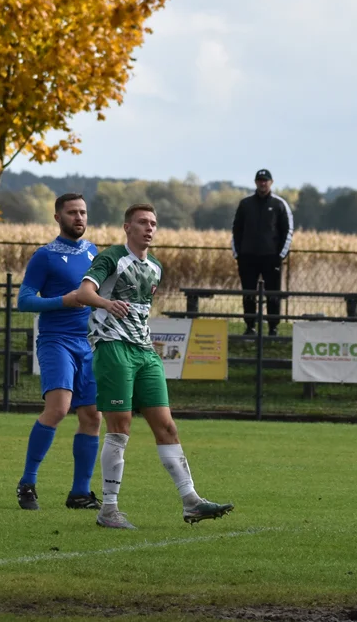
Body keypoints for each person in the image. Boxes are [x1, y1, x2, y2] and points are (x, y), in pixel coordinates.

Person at [76, 203, 234, 529]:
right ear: (127, 227)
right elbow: (84, 292)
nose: (149, 228)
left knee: (167, 427)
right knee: (120, 427)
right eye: (142, 222)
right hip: (114, 348)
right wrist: (107, 303)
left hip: (145, 353)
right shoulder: (111, 258)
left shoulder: (156, 268)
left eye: (153, 223)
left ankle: (191, 501)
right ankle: (108, 509)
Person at [15, 193, 102, 511]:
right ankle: (27, 483)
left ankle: (79, 493)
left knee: (93, 416)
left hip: (89, 344)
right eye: (72, 213)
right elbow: (24, 300)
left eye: (83, 212)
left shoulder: (94, 252)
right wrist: (62, 301)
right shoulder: (45, 256)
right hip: (56, 341)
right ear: (58, 218)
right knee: (58, 408)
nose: (79, 217)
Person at [232, 169, 294, 336]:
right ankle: (250, 326)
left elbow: (287, 231)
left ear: (271, 182)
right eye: (260, 180)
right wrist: (238, 253)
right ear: (255, 182)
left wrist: (280, 255)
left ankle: (273, 327)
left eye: (265, 180)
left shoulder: (279, 204)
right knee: (249, 293)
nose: (262, 183)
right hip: (248, 257)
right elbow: (236, 229)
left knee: (273, 294)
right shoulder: (245, 204)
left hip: (271, 258)